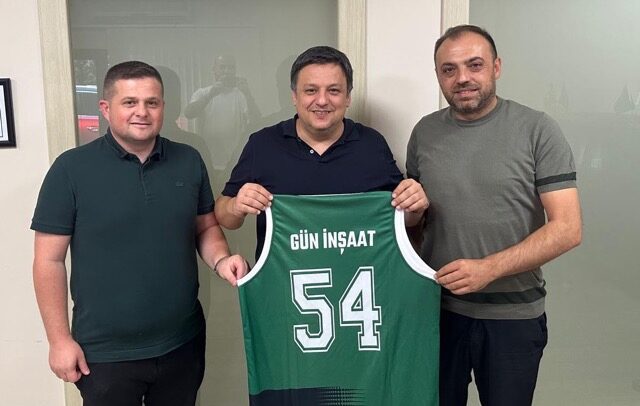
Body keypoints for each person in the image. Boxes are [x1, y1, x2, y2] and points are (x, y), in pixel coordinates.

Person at [31, 61, 248, 406]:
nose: (142, 112)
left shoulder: (189, 160)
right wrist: (59, 341)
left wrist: (221, 260)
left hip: (182, 343)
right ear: (106, 108)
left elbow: (206, 226)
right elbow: (48, 260)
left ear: (163, 107)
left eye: (152, 102)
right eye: (130, 102)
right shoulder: (70, 170)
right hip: (104, 353)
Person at [406, 25, 582, 406]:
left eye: (475, 65)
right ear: (437, 75)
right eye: (449, 69)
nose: (462, 78)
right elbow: (415, 226)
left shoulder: (538, 129)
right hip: (437, 313)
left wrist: (489, 268)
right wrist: (410, 215)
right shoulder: (424, 133)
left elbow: (568, 228)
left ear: (496, 67)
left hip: (513, 318)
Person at [214, 45, 428, 256]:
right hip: (282, 277)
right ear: (294, 96)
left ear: (347, 97)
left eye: (334, 91)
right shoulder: (263, 144)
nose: (322, 100)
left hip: (358, 274)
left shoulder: (372, 144)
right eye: (311, 90)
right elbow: (225, 217)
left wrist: (414, 207)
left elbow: (404, 218)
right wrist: (236, 206)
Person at [184, 55, 260, 174]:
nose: (227, 71)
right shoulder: (203, 93)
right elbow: (189, 113)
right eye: (222, 67)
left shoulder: (241, 94)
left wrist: (247, 93)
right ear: (214, 70)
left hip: (236, 162)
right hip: (209, 162)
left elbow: (257, 121)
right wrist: (210, 95)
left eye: (231, 68)